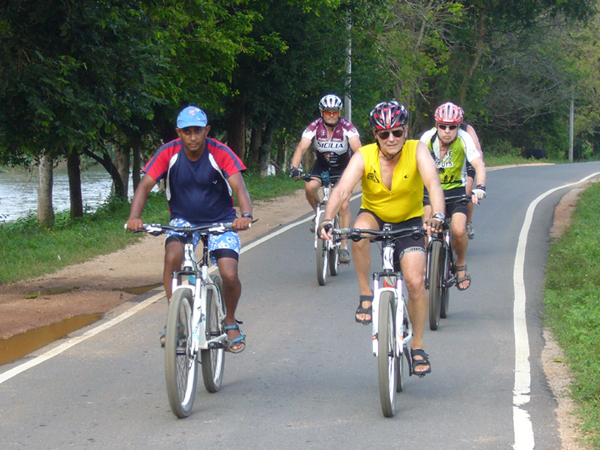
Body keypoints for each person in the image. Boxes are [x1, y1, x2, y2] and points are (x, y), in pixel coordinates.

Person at [319, 101, 445, 376]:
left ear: (406, 131)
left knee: (414, 281)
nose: (391, 139)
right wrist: (327, 220)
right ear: (375, 134)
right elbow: (341, 190)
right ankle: (366, 293)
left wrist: (438, 215)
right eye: (383, 133)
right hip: (375, 215)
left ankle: (418, 346)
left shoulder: (417, 150)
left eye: (397, 132)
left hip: (410, 220)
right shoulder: (364, 155)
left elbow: (433, 183)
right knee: (358, 232)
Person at [126, 106, 253, 353]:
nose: (192, 137)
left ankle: (229, 322)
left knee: (229, 274)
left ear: (207, 131)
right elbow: (144, 186)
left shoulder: (220, 152)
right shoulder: (169, 152)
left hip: (221, 220)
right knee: (172, 257)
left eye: (197, 131)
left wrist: (245, 215)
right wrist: (134, 217)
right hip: (183, 220)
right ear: (178, 133)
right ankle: (176, 321)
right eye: (186, 131)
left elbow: (239, 187)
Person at [420, 102, 486, 291]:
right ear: (436, 124)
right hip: (431, 192)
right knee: (426, 229)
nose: (447, 131)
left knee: (458, 230)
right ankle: (425, 266)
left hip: (456, 191)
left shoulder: (464, 138)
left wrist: (480, 186)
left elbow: (478, 164)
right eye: (443, 126)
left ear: (459, 125)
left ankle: (460, 264)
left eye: (452, 127)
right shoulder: (427, 138)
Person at [289, 94, 362, 264]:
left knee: (343, 204)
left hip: (343, 168)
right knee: (309, 188)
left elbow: (357, 148)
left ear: (339, 113)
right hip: (322, 166)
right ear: (322, 113)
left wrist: (360, 168)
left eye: (335, 112)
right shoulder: (314, 126)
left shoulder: (347, 127)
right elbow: (301, 147)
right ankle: (318, 215)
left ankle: (343, 247)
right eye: (328, 112)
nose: (331, 115)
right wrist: (294, 168)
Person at [461, 118, 484, 239]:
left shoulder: (467, 129)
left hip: (468, 161)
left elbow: (477, 150)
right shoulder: (441, 132)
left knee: (467, 191)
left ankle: (468, 221)